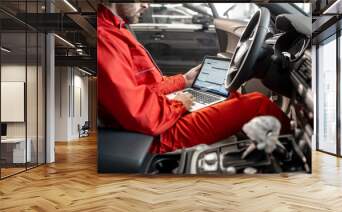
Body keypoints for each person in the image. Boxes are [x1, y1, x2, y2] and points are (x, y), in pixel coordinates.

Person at [98, 3, 291, 154]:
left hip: (154, 119)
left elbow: (141, 89)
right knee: (258, 103)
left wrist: (184, 80)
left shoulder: (117, 29)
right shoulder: (105, 38)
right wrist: (179, 104)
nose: (146, 5)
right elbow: (138, 113)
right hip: (155, 135)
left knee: (230, 97)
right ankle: (292, 155)